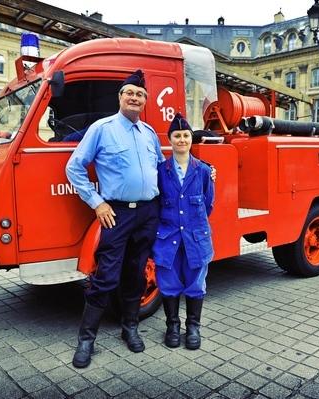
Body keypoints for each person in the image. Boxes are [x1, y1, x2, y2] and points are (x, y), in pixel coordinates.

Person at [66, 70, 164, 368]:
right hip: (117, 213)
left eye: (140, 94)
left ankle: (130, 328)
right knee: (107, 275)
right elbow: (74, 167)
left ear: (145, 100)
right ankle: (86, 340)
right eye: (129, 93)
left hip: (148, 212)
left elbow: (160, 168)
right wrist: (97, 203)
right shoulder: (102, 128)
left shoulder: (149, 133)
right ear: (120, 97)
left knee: (136, 272)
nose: (134, 98)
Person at [152, 113, 214, 350]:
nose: (182, 140)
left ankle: (194, 327)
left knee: (196, 283)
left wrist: (191, 225)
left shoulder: (203, 171)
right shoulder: (161, 171)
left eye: (186, 135)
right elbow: (156, 204)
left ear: (191, 139)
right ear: (169, 140)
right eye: (177, 136)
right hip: (168, 238)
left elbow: (208, 204)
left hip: (196, 238)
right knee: (168, 283)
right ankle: (172, 326)